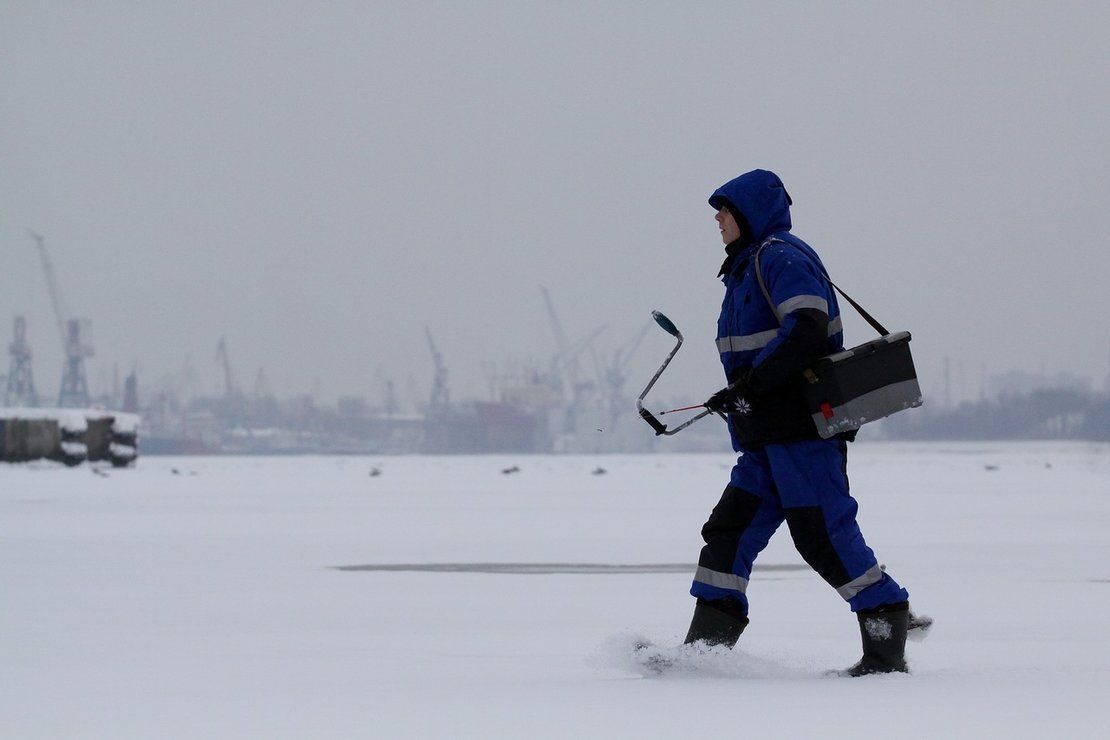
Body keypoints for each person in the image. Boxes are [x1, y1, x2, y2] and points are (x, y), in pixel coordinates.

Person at [685, 168, 911, 676]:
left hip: (802, 436)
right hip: (764, 439)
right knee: (728, 533)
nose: (717, 221)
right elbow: (757, 356)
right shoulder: (745, 271)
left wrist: (752, 386)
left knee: (824, 538)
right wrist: (739, 394)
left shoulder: (779, 256)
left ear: (749, 214)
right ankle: (702, 656)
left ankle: (885, 635)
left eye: (724, 211)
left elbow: (807, 327)